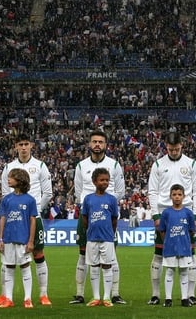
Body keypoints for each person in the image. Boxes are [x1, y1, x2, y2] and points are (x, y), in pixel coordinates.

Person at [0, 134, 52, 306]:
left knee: (38, 254)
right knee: (8, 257)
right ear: (16, 146)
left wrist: (33, 211)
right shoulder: (9, 167)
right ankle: (5, 295)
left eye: (26, 144)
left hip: (32, 217)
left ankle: (43, 294)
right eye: (20, 144)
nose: (23, 147)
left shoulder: (40, 166)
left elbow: (47, 193)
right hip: (14, 219)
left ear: (31, 145)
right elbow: (6, 195)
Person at [147, 131, 196, 305]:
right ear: (166, 147)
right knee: (159, 255)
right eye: (171, 149)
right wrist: (156, 215)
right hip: (165, 214)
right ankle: (156, 295)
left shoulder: (191, 164)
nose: (174, 152)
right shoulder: (157, 164)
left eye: (177, 149)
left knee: (190, 255)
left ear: (182, 146)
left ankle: (190, 295)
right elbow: (152, 191)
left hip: (186, 214)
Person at [71, 130, 126, 305]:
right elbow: (79, 192)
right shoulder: (81, 166)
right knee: (83, 254)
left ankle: (114, 294)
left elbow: (120, 191)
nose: (97, 144)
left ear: (105, 145)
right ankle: (80, 294)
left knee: (111, 256)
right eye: (94, 141)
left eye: (100, 142)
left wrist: (105, 206)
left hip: (107, 217)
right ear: (89, 144)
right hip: (87, 214)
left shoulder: (114, 165)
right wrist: (91, 204)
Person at [0, 168, 38, 309]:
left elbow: (33, 221)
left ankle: (27, 299)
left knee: (25, 267)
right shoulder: (6, 199)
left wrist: (31, 241)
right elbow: (3, 218)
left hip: (23, 239)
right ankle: (8, 298)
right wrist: (0, 239)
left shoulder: (30, 200)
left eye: (11, 177)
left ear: (20, 180)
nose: (8, 180)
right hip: (8, 239)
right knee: (9, 267)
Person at [81, 168, 119, 307]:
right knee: (94, 266)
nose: (105, 182)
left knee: (107, 266)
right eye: (102, 180)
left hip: (107, 238)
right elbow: (85, 217)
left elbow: (114, 219)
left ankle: (107, 297)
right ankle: (96, 297)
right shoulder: (88, 199)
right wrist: (90, 230)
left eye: (107, 180)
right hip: (92, 238)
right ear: (94, 181)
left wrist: (110, 232)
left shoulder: (111, 199)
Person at [158, 184, 195, 308]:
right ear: (170, 196)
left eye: (179, 194)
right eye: (174, 195)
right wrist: (168, 241)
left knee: (184, 272)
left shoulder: (188, 213)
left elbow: (191, 230)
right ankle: (168, 299)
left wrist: (184, 241)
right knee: (169, 271)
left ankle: (184, 298)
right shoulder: (166, 213)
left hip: (184, 247)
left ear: (184, 196)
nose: (177, 197)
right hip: (170, 247)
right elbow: (162, 230)